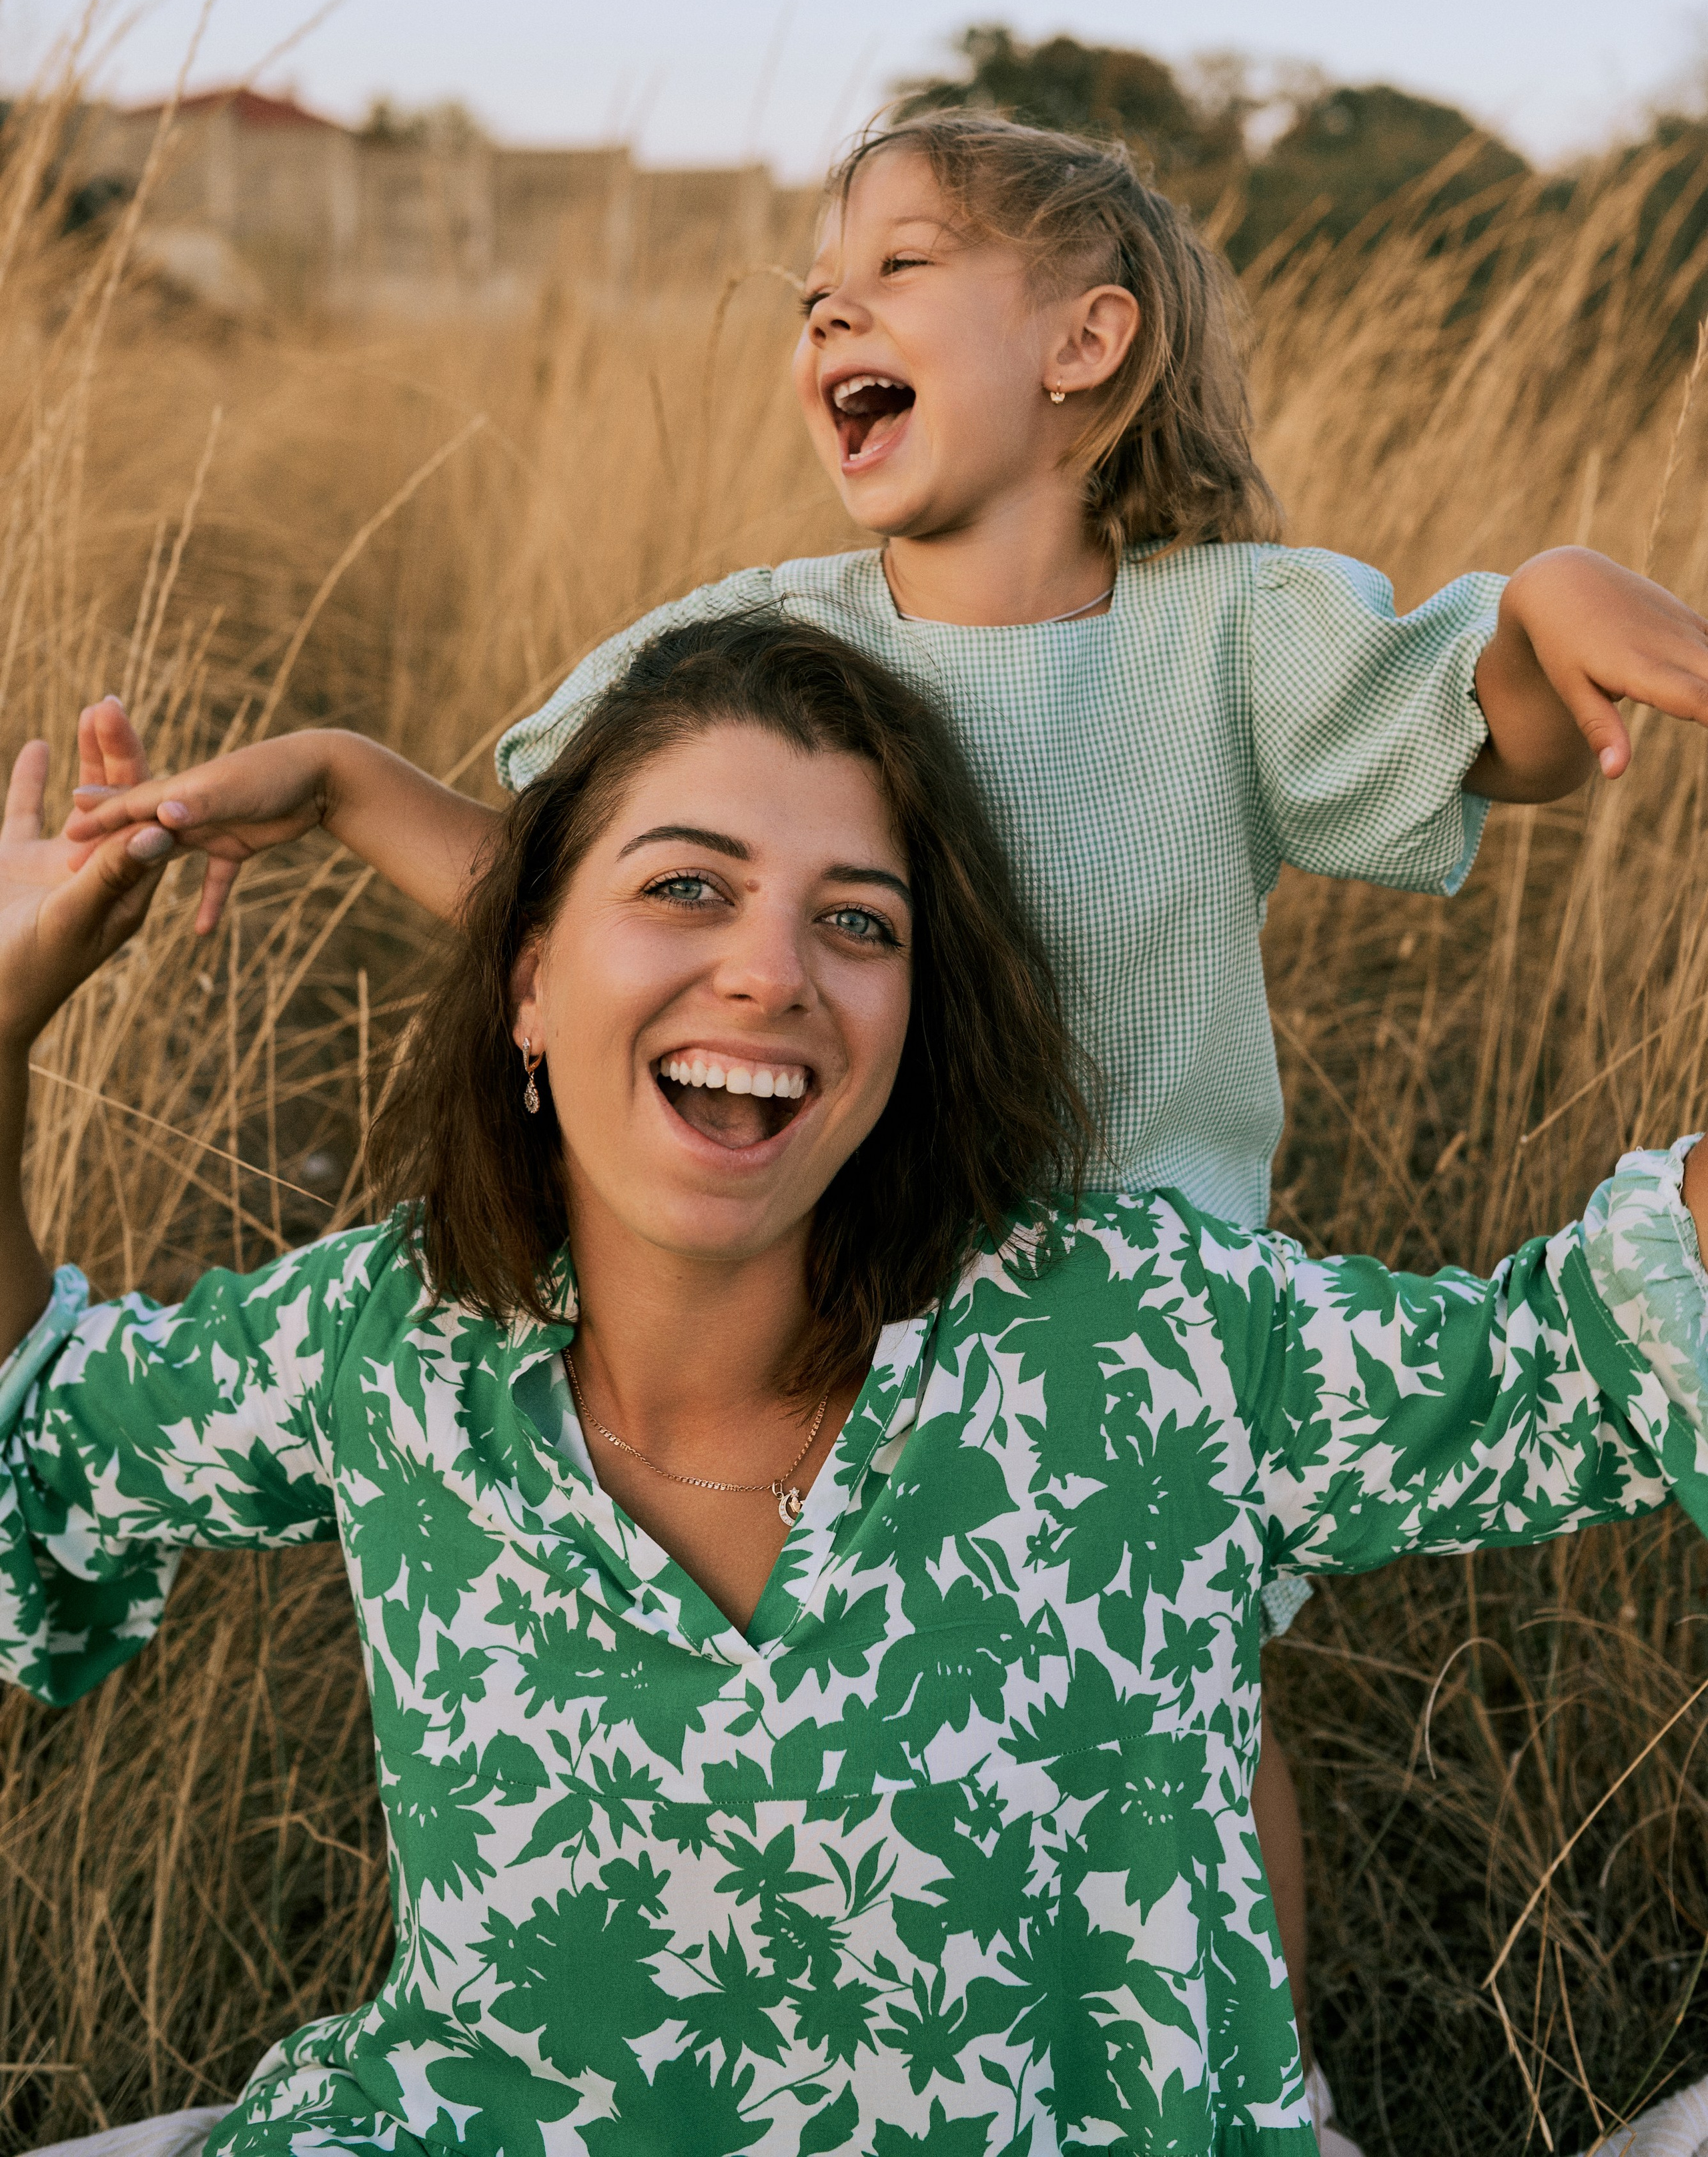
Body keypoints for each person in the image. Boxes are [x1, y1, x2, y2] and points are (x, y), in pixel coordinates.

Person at [61, 113, 1708, 2076]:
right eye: (816, 290)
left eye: (901, 266)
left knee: (1179, 1797)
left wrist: (1554, 596)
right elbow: (562, 900)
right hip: (821, 1304)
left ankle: (1223, 2100)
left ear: (1087, 342)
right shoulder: (764, 651)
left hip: (1130, 1394)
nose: (833, 303)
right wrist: (342, 777)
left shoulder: (1232, 636)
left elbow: (1502, 730)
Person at [11, 614, 1708, 2157]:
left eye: (855, 922)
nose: (771, 971)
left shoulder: (1129, 1334)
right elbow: (51, 1430)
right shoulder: (393, 1343)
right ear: (528, 975)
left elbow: (1572, 1363)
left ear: (906, 1024)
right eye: (686, 886)